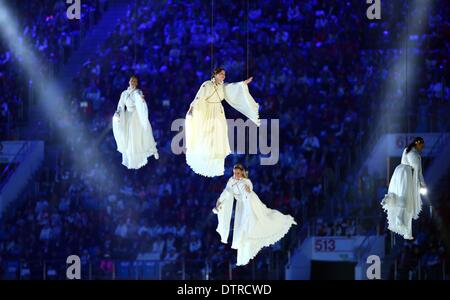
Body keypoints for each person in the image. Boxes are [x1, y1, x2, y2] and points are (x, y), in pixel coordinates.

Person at [213, 164, 297, 266]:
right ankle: (243, 255)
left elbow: (249, 188)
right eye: (235, 173)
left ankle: (285, 220)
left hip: (250, 203)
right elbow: (226, 192)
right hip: (241, 206)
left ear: (242, 173)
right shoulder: (231, 181)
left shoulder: (246, 181)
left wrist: (248, 190)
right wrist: (220, 202)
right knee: (242, 229)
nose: (236, 175)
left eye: (238, 173)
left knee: (259, 220)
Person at [185, 67, 260, 177]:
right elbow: (198, 98)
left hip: (218, 113)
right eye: (221, 74)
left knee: (218, 135)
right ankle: (204, 155)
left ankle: (214, 157)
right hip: (208, 111)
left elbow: (232, 88)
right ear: (215, 74)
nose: (223, 76)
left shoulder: (222, 86)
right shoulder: (207, 85)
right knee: (207, 134)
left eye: (224, 74)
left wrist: (243, 84)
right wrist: (192, 108)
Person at [381, 137, 427, 239]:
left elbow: (417, 171)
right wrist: (423, 184)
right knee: (405, 196)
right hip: (406, 174)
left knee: (400, 193)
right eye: (421, 145)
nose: (422, 148)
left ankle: (389, 200)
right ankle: (399, 216)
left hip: (399, 171)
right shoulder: (414, 155)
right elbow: (418, 172)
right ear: (417, 144)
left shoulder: (406, 150)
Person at [112, 75, 159, 169]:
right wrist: (118, 113)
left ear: (136, 83)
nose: (133, 83)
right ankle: (132, 157)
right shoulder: (124, 93)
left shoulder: (138, 92)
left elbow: (139, 100)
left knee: (143, 133)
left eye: (135, 81)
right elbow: (121, 105)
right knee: (129, 138)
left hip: (137, 116)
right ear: (129, 82)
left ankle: (153, 150)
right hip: (128, 116)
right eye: (132, 81)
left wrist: (141, 100)